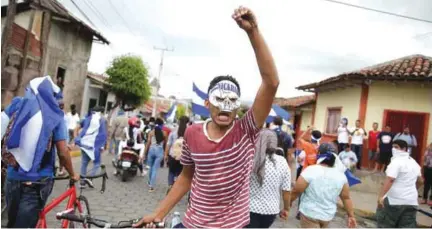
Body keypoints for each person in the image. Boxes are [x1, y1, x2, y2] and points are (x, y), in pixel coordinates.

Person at [134, 6, 279, 228]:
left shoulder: (246, 131)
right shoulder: (192, 133)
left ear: (238, 106)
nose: (225, 106)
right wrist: (158, 214)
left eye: (232, 101)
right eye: (220, 100)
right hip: (193, 223)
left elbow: (271, 82)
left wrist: (253, 32)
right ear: (207, 103)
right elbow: (185, 177)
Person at [1, 76, 79, 228]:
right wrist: (72, 174)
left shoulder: (17, 105)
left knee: (12, 223)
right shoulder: (54, 114)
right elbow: (63, 152)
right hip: (38, 181)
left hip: (12, 177)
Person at [290, 143, 357, 228]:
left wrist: (288, 204)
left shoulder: (311, 170)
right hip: (327, 217)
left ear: (318, 155)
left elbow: (296, 191)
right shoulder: (341, 176)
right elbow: (346, 198)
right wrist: (351, 216)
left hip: (310, 214)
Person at [248, 129, 291, 228]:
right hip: (271, 211)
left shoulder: (250, 158)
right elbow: (286, 191)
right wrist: (286, 208)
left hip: (249, 208)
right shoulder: (282, 162)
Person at [376, 139, 423, 228]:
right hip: (411, 201)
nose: (393, 149)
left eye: (396, 147)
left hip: (394, 201)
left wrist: (381, 196)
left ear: (404, 149)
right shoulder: (414, 163)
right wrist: (411, 190)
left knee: (386, 225)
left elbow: (390, 179)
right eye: (393, 147)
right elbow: (420, 181)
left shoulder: (396, 162)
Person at [74, 106, 108, 186]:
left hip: (84, 144)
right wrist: (103, 145)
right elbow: (103, 134)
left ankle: (82, 182)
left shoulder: (87, 117)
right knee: (97, 164)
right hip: (95, 146)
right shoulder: (102, 120)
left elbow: (77, 128)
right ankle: (89, 179)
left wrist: (77, 138)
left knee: (84, 163)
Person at [164, 116, 190, 193]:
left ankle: (170, 185)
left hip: (173, 155)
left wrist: (165, 154)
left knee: (171, 171)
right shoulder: (189, 132)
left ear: (178, 121)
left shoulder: (173, 131)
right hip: (184, 157)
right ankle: (177, 187)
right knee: (180, 173)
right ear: (188, 122)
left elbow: (168, 144)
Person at [144, 118, 167, 192]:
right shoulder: (164, 133)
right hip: (159, 151)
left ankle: (150, 182)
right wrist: (165, 154)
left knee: (151, 168)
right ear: (162, 125)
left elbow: (148, 143)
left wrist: (144, 153)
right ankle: (151, 186)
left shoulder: (151, 132)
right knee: (155, 169)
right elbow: (165, 144)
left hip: (151, 150)